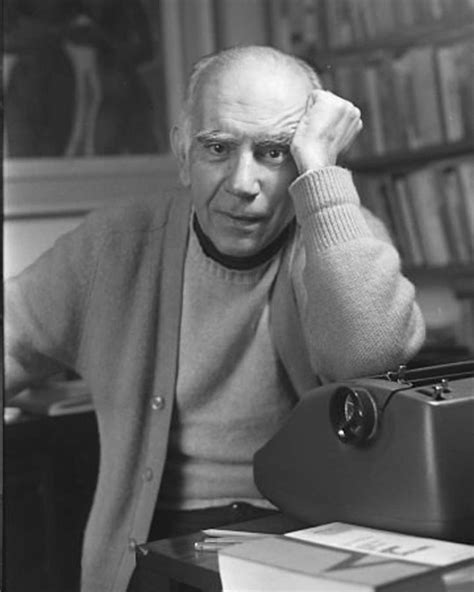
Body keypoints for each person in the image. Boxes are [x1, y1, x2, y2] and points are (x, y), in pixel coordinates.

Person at [5, 45, 426, 592]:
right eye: (218, 148)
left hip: (306, 535)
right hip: (154, 544)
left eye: (275, 152)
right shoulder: (116, 245)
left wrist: (323, 174)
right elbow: (11, 335)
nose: (243, 183)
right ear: (184, 153)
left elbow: (370, 357)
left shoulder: (334, 229)